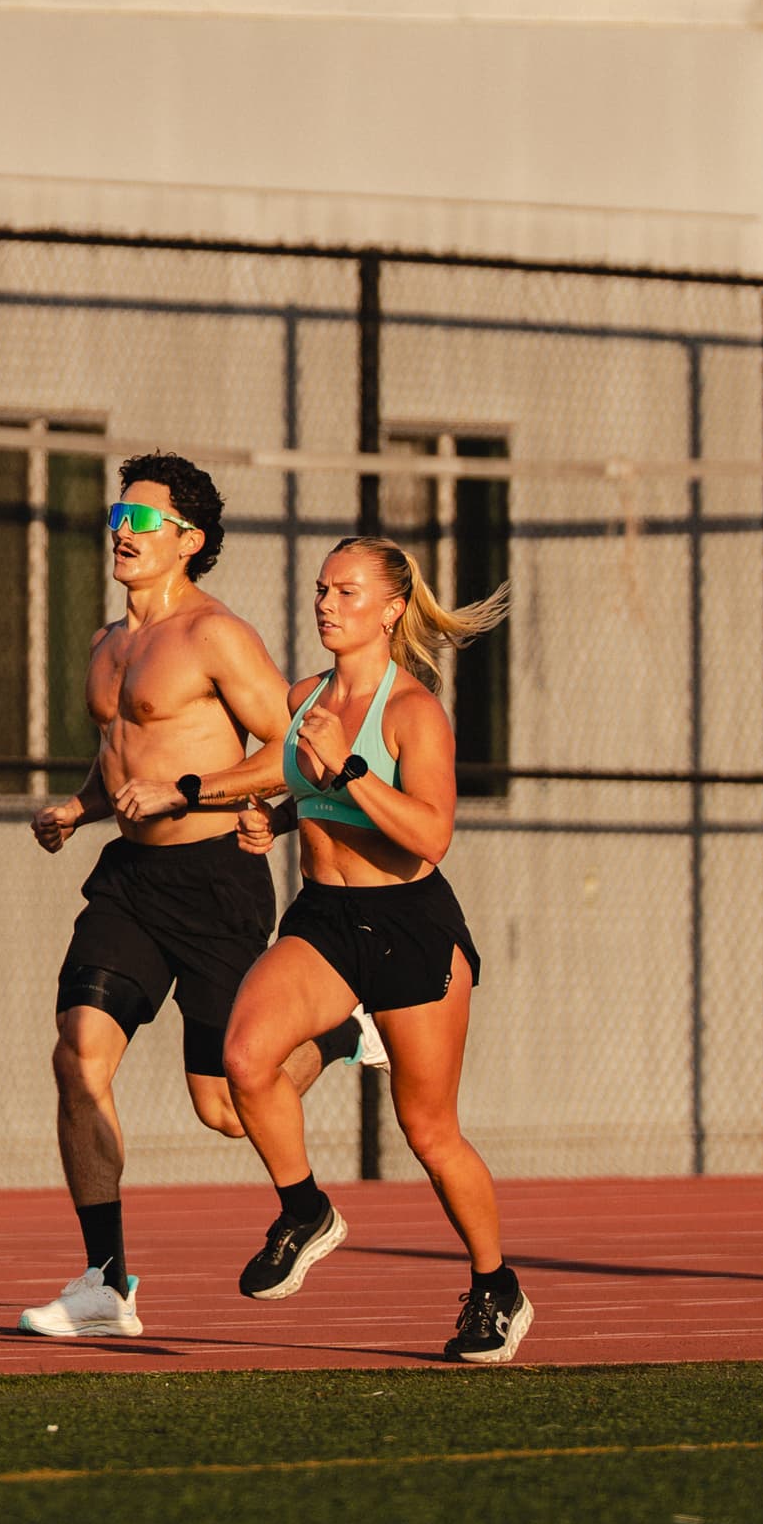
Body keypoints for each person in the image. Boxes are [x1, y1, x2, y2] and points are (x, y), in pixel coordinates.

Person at [19, 455, 353, 1341]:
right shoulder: (105, 641)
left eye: (143, 518)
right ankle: (104, 1279)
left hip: (215, 884)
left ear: (189, 541)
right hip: (130, 883)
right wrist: (79, 808)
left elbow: (294, 753)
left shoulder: (217, 637)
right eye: (119, 512)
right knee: (78, 1053)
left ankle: (343, 1030)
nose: (123, 530)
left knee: (224, 1109)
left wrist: (192, 792)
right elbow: (127, 755)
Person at [221, 537, 530, 1364]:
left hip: (410, 926)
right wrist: (276, 817)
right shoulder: (305, 696)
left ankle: (495, 1285)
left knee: (429, 1132)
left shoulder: (413, 712)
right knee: (245, 1058)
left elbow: (431, 835)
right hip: (324, 917)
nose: (326, 603)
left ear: (391, 611)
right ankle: (305, 1210)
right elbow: (303, 785)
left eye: (347, 592)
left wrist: (348, 771)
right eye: (322, 588)